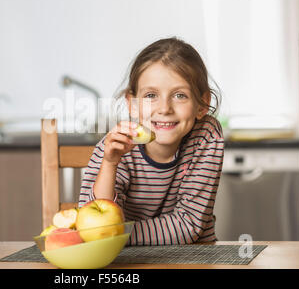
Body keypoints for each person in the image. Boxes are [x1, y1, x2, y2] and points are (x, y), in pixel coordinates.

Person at [78, 37, 224, 245]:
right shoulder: (114, 147)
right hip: (129, 263)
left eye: (180, 95)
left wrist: (115, 235)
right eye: (151, 95)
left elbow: (189, 224)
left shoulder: (206, 136)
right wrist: (110, 164)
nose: (164, 108)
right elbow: (92, 226)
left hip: (195, 259)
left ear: (202, 104)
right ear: (133, 104)